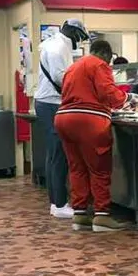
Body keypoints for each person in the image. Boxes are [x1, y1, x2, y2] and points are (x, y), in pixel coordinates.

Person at [55, 40, 137, 233]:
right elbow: (108, 92)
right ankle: (101, 216)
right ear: (106, 55)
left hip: (64, 118)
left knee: (77, 168)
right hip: (89, 120)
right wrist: (128, 99)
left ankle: (80, 214)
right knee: (99, 168)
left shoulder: (73, 67)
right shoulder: (99, 64)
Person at [35, 19, 90, 219]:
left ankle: (55, 202)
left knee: (54, 155)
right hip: (52, 103)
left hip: (47, 102)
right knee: (58, 154)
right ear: (73, 33)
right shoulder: (58, 48)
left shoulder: (54, 44)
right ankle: (59, 204)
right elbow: (61, 78)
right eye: (80, 37)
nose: (79, 42)